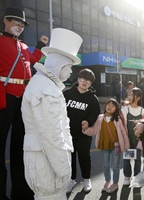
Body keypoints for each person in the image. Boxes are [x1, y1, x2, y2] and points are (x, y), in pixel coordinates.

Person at [21, 28, 82, 200]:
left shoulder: (39, 83)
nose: (71, 72)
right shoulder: (48, 90)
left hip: (40, 160)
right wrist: (64, 169)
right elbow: (52, 135)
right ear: (60, 65)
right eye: (69, 67)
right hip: (47, 165)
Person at [0, 7, 48, 200]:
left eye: (22, 24)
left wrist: (40, 45)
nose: (20, 27)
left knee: (21, 146)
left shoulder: (22, 46)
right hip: (4, 95)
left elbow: (32, 59)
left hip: (22, 99)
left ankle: (21, 191)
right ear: (6, 21)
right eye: (16, 23)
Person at [63, 68, 100, 193]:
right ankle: (71, 179)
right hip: (67, 133)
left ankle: (86, 179)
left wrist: (88, 122)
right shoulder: (67, 94)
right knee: (70, 157)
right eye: (83, 79)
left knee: (84, 157)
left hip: (84, 134)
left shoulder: (93, 99)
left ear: (90, 84)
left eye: (88, 81)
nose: (85, 82)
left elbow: (95, 114)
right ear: (78, 79)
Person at [82, 98, 129, 193]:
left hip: (116, 146)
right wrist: (86, 129)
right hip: (104, 144)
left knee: (115, 166)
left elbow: (123, 133)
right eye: (108, 105)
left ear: (116, 109)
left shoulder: (118, 119)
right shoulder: (100, 118)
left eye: (113, 106)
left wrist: (126, 145)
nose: (110, 107)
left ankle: (115, 183)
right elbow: (95, 130)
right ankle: (108, 181)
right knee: (106, 165)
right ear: (105, 106)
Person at [121, 87, 144, 186]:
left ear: (138, 98)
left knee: (138, 159)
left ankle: (136, 176)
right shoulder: (125, 109)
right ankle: (127, 176)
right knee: (127, 158)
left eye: (132, 95)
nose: (130, 97)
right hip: (128, 138)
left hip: (138, 140)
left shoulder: (142, 111)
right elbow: (122, 125)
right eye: (129, 95)